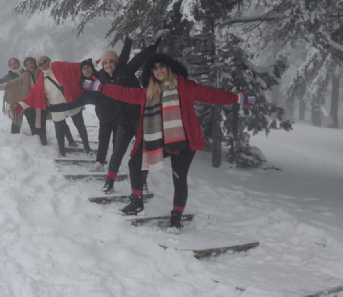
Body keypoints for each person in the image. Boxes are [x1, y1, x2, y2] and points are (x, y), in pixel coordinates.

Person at [82, 53, 255, 234]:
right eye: (155, 68)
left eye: (162, 66)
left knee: (178, 179)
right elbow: (123, 93)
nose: (158, 70)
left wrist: (238, 98)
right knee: (135, 163)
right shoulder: (148, 93)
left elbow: (211, 95)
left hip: (183, 142)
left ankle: (176, 218)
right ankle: (137, 202)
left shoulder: (185, 87)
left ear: (169, 68)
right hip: (158, 139)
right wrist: (101, 87)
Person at [99, 37, 161, 194]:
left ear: (116, 62)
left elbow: (137, 60)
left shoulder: (125, 71)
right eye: (105, 63)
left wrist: (150, 49)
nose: (108, 65)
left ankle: (143, 181)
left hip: (139, 118)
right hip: (122, 121)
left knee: (142, 151)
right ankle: (109, 181)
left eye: (111, 62)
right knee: (118, 150)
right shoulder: (104, 79)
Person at [13, 56, 92, 157]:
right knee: (59, 130)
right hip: (56, 107)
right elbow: (33, 95)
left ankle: (87, 147)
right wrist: (21, 105)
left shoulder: (60, 68)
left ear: (49, 61)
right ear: (39, 67)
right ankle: (61, 151)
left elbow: (74, 67)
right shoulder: (41, 80)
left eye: (45, 62)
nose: (44, 65)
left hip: (72, 103)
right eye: (40, 64)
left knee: (80, 126)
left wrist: (89, 63)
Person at [48, 58, 117, 171]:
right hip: (104, 116)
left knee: (117, 141)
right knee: (103, 139)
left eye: (88, 67)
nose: (86, 70)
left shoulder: (103, 76)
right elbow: (72, 104)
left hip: (119, 113)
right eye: (83, 69)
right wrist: (54, 108)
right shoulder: (86, 89)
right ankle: (99, 163)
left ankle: (115, 164)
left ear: (92, 68)